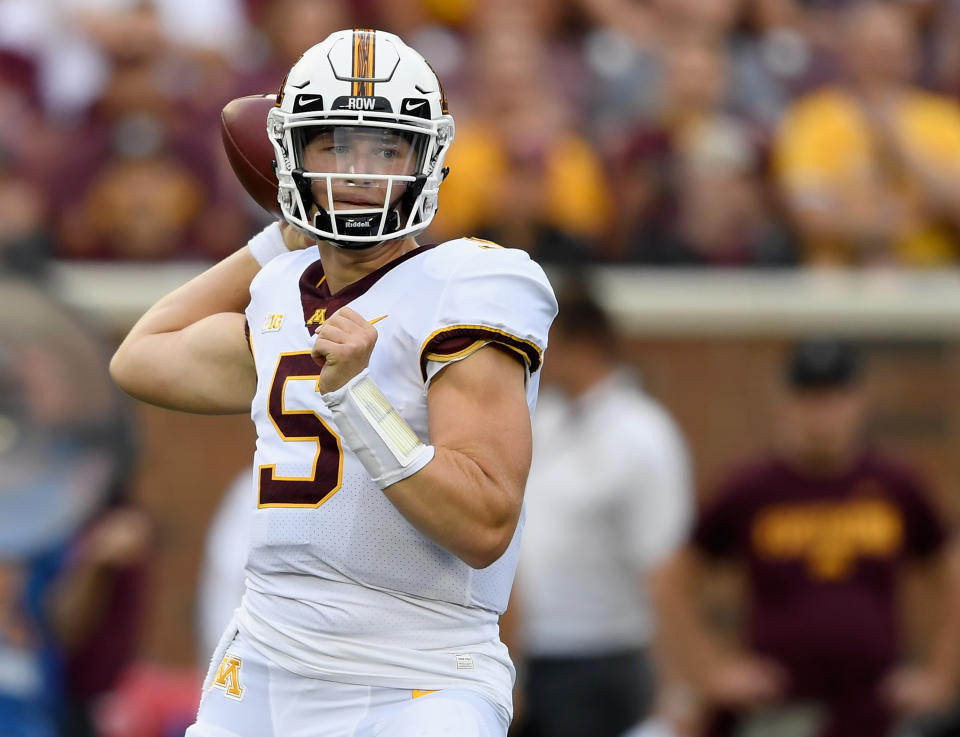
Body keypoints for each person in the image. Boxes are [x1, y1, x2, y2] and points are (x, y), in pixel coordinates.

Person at [110, 28, 557, 737]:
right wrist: (273, 240)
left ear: (426, 158)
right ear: (289, 157)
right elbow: (141, 356)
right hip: (264, 659)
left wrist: (356, 400)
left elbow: (484, 522)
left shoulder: (472, 284)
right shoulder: (282, 289)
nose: (359, 171)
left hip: (418, 669)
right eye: (334, 145)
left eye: (385, 147)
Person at [651, 338, 960, 737]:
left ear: (859, 401)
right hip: (780, 711)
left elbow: (951, 571)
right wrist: (712, 671)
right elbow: (670, 578)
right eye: (811, 399)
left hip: (872, 708)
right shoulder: (753, 487)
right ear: (788, 403)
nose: (823, 413)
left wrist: (939, 675)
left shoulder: (893, 483)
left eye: (835, 398)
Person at [508, 287, 693, 737]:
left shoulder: (643, 433)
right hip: (532, 655)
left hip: (601, 659)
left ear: (584, 344)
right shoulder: (540, 419)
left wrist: (680, 686)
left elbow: (664, 566)